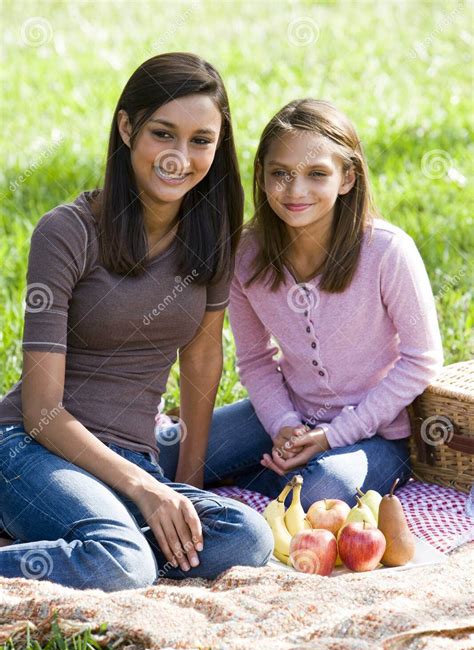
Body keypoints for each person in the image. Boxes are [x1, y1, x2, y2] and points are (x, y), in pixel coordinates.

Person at [0, 53, 273, 591]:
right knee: (122, 563)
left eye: (201, 140)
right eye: (163, 133)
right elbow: (41, 411)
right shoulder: (66, 232)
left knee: (245, 537)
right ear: (127, 128)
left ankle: (86, 536)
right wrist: (146, 491)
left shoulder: (211, 238)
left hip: (133, 453)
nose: (180, 157)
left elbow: (200, 360)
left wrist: (184, 491)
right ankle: (94, 540)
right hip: (28, 445)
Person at [158, 99, 444, 509]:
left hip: (376, 433)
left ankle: (263, 477)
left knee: (319, 490)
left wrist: (333, 436)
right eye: (280, 174)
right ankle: (271, 470)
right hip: (288, 416)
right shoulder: (246, 255)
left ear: (346, 177)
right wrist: (283, 425)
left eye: (316, 174)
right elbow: (255, 360)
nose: (295, 191)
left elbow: (422, 359)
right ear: (261, 175)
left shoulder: (387, 252)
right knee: (167, 453)